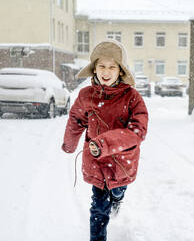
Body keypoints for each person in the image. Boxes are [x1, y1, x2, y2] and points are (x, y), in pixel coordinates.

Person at [61, 40, 149, 241]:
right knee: (99, 208)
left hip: (122, 161)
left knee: (117, 192)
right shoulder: (86, 95)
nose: (106, 72)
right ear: (94, 69)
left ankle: (118, 198)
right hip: (97, 161)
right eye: (102, 66)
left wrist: (106, 144)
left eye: (112, 67)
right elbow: (76, 118)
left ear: (120, 71)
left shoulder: (132, 97)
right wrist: (69, 143)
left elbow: (138, 130)